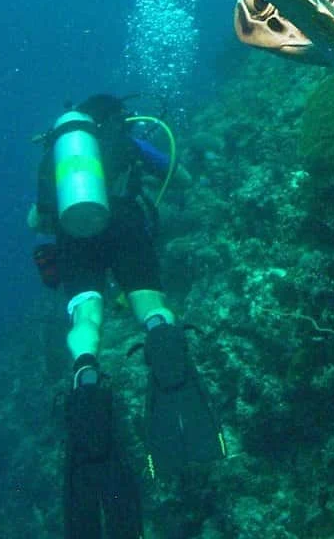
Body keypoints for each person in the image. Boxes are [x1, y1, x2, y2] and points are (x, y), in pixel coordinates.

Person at [27, 93, 223, 539]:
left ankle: (85, 374)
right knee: (150, 306)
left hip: (75, 239)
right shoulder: (124, 140)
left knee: (86, 320)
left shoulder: (57, 157)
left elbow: (36, 220)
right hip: (125, 225)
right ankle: (166, 351)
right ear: (113, 118)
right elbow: (181, 176)